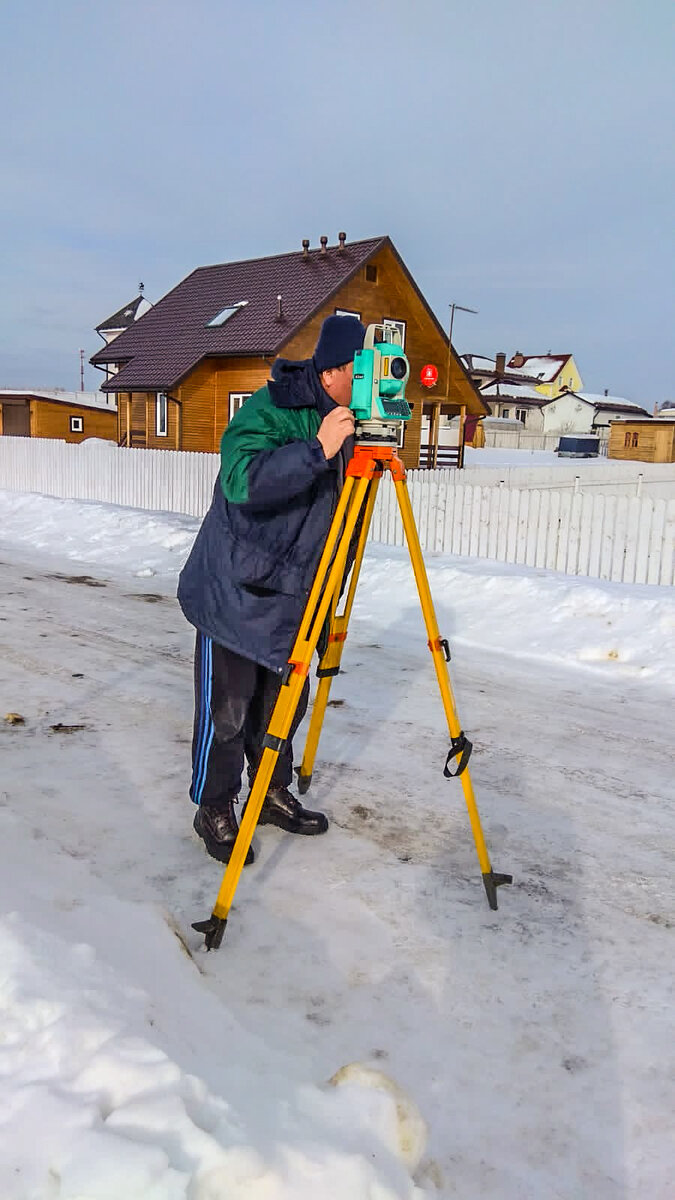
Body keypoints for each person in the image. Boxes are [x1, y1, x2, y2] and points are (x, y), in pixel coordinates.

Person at [177, 315, 366, 865]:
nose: (372, 384)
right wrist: (317, 449)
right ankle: (214, 805)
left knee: (283, 704)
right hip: (240, 591)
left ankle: (270, 791)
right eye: (362, 372)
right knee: (229, 712)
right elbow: (242, 480)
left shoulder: (354, 420)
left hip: (299, 595)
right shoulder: (274, 407)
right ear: (331, 371)